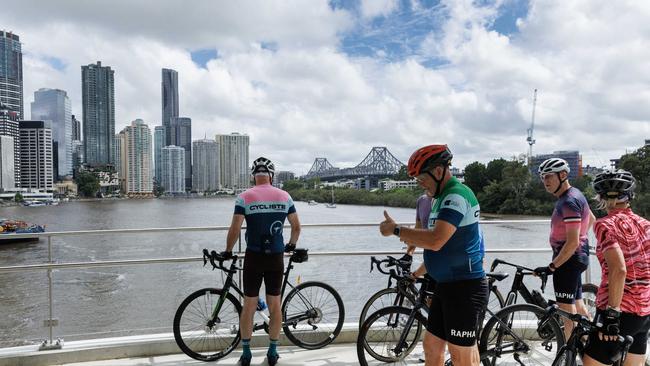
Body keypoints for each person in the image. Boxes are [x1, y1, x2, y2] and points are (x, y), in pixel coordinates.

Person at [380, 144, 487, 366]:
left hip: (464, 288)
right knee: (432, 347)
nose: (420, 183)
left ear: (438, 172)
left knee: (461, 357)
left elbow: (436, 240)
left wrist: (397, 230)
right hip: (446, 286)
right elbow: (439, 244)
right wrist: (418, 269)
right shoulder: (440, 198)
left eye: (422, 178)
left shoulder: (456, 196)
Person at [221, 157, 301, 366]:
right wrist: (290, 246)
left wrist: (228, 250)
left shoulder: (244, 197)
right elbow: (296, 227)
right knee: (275, 305)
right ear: (271, 176)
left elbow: (235, 229)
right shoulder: (285, 196)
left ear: (253, 176)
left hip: (253, 256)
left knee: (248, 306)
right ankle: (272, 352)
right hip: (275, 257)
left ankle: (246, 353)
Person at [583, 169, 650, 366]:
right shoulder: (646, 224)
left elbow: (619, 270)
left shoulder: (605, 225)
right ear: (630, 195)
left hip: (618, 311)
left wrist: (612, 314)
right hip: (644, 311)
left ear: (601, 196)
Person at [533, 158, 595, 340]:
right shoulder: (575, 195)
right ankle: (590, 345)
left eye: (549, 176)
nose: (545, 181)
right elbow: (590, 218)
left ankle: (570, 353)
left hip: (568, 261)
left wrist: (552, 267)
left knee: (567, 313)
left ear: (563, 175)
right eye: (543, 177)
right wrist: (582, 237)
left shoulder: (568, 201)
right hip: (575, 259)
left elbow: (572, 242)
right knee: (578, 306)